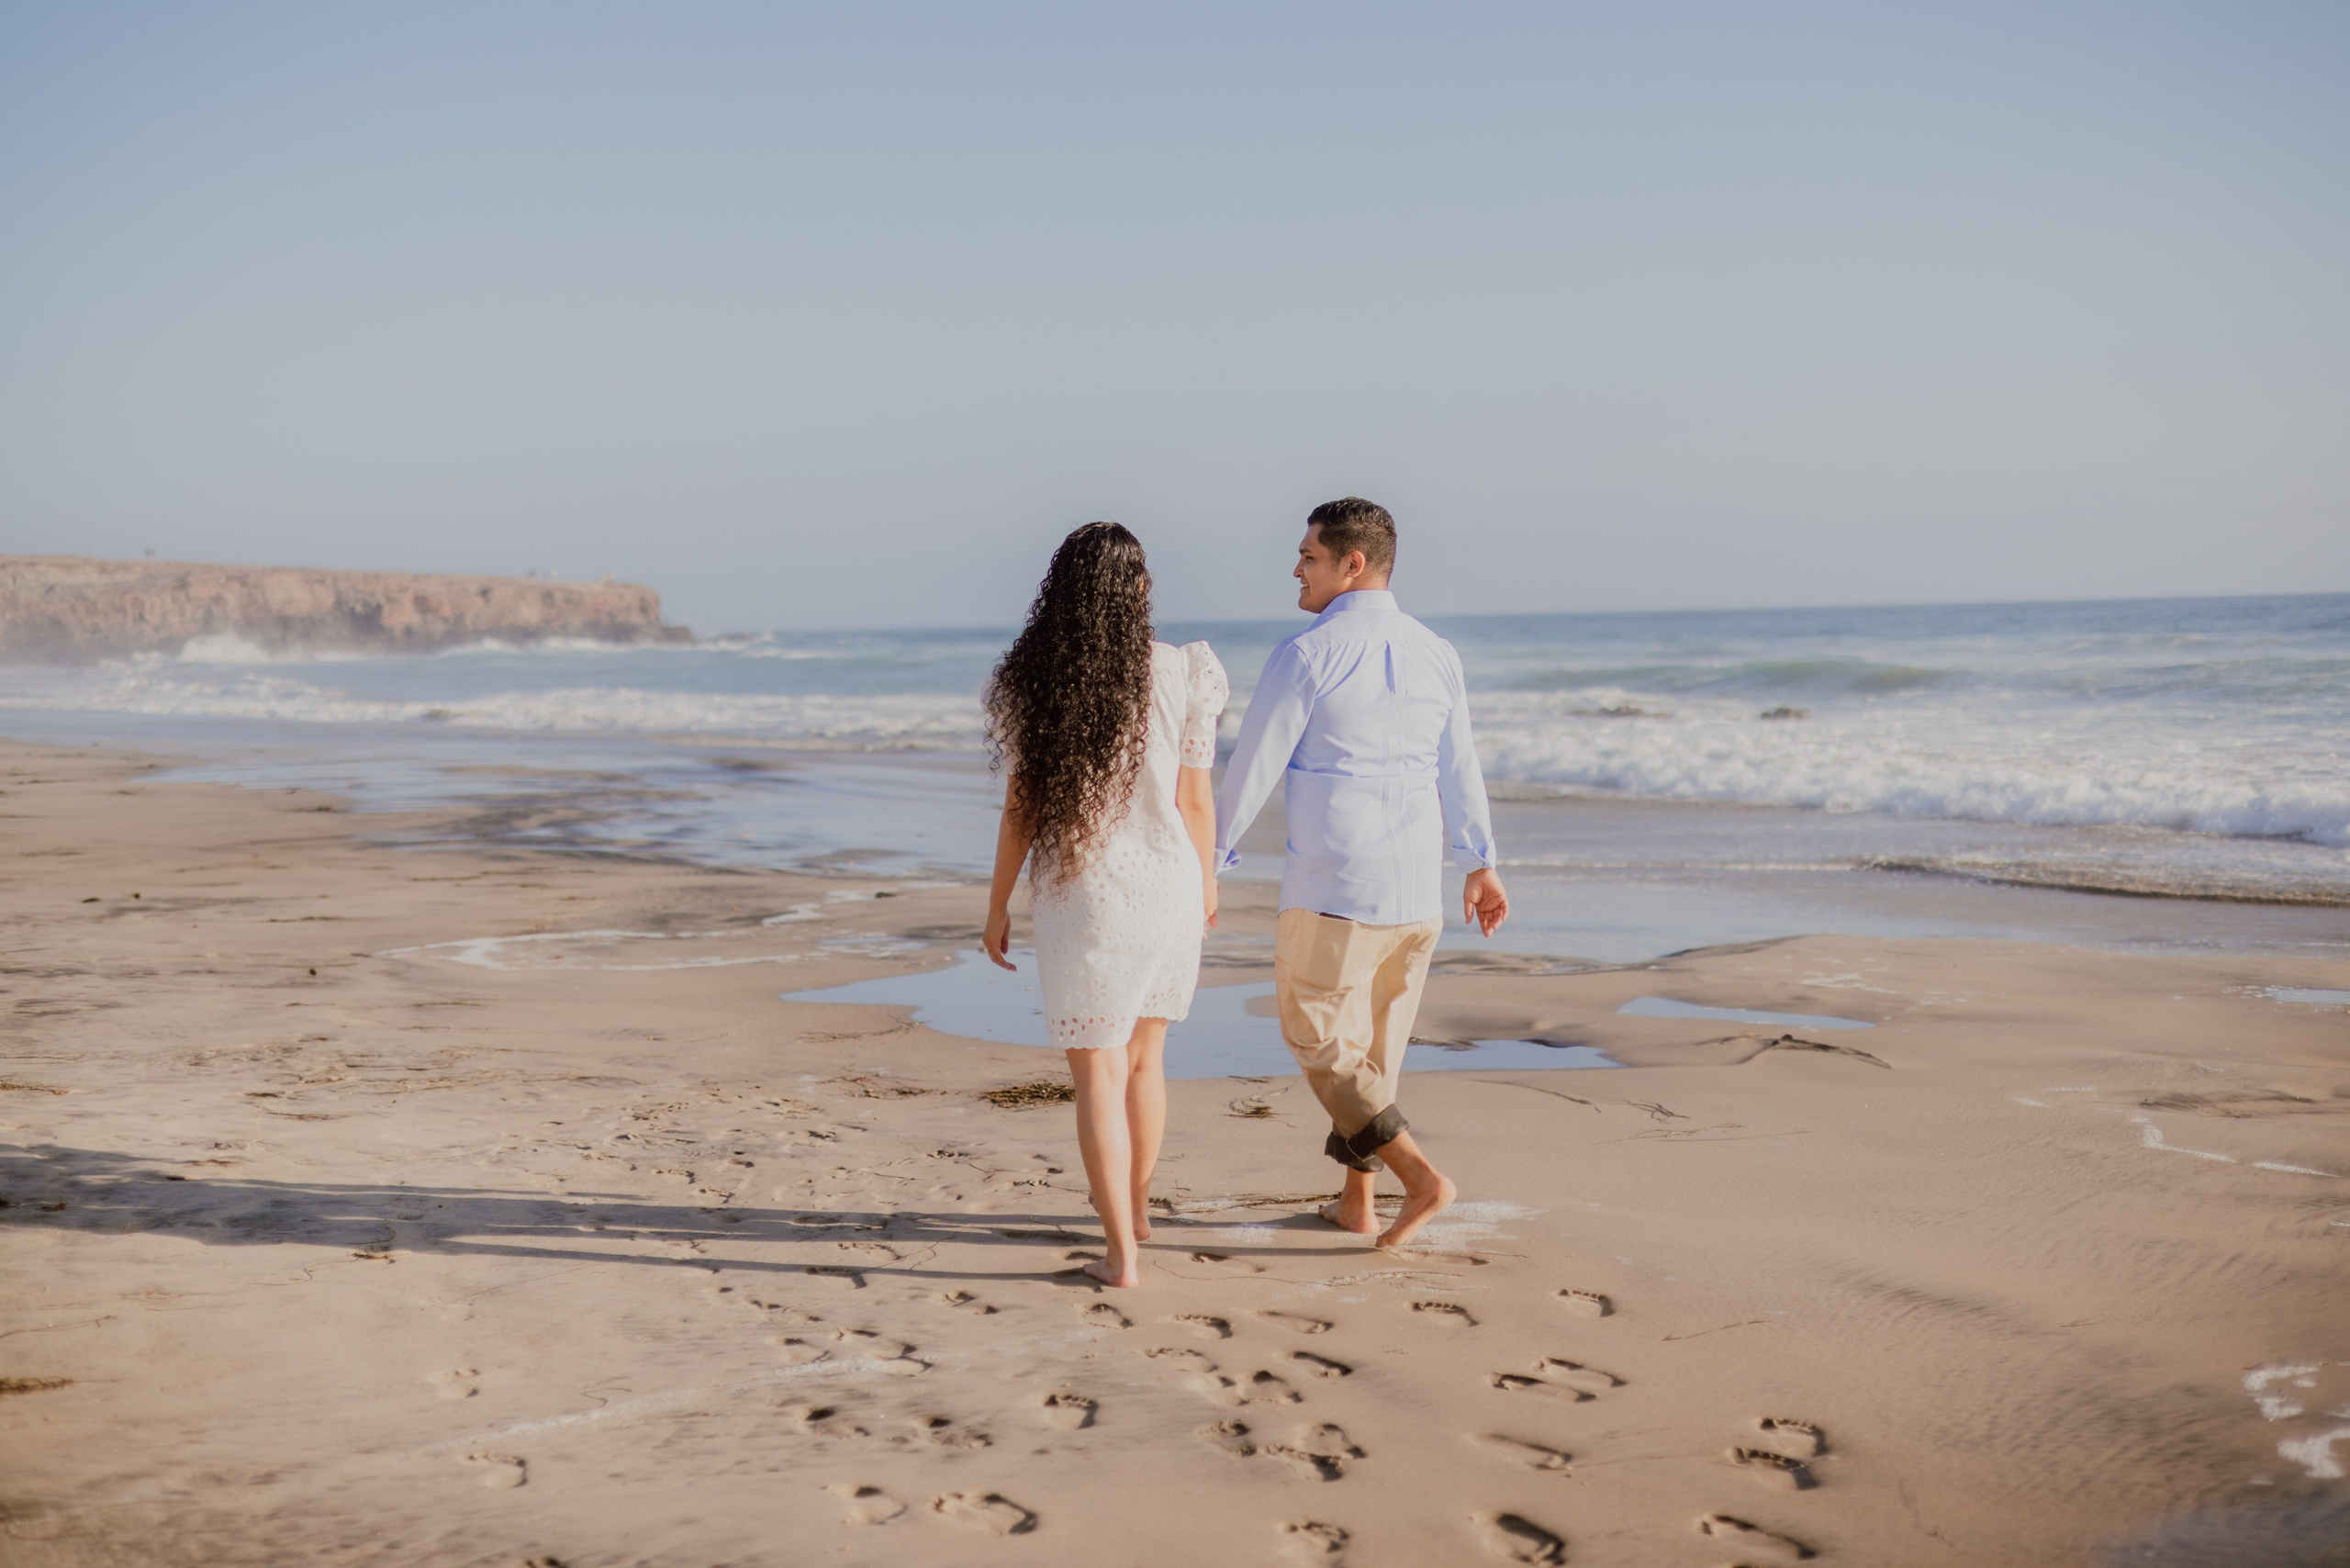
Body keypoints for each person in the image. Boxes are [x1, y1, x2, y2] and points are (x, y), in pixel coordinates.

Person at [1214, 497, 1507, 1250]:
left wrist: (1207, 859)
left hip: (1336, 885)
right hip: (1417, 890)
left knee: (1317, 1038)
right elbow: (1460, 766)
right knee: (1375, 1057)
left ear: (1352, 563)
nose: (1296, 569)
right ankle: (1356, 1204)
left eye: (1308, 556)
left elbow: (1252, 769)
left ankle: (1420, 1179)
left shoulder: (1307, 654)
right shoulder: (1437, 651)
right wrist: (1479, 862)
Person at [980, 521, 1228, 1289]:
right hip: (1170, 886)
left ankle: (1119, 1254)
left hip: (1084, 892)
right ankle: (1139, 1213)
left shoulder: (1036, 680)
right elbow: (1194, 798)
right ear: (1139, 590)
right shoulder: (1186, 672)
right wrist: (1209, 883)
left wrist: (997, 906)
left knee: (1097, 1074)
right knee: (1148, 1060)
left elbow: (1022, 808)